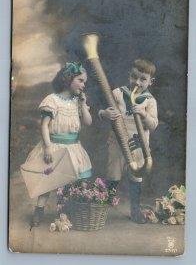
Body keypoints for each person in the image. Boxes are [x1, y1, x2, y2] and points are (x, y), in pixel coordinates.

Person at [25, 62, 92, 227]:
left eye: (85, 82)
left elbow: (88, 122)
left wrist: (83, 104)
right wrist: (47, 146)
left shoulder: (78, 102)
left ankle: (65, 212)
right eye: (81, 80)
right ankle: (38, 211)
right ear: (68, 79)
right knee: (47, 180)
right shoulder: (52, 100)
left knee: (71, 183)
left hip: (73, 147)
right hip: (54, 145)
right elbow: (44, 126)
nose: (83, 85)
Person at [98, 59, 158, 223]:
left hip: (138, 146)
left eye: (143, 79)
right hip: (118, 143)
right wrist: (105, 114)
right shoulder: (118, 93)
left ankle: (135, 211)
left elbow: (153, 125)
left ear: (151, 82)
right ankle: (103, 208)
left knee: (136, 178)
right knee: (113, 174)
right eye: (134, 77)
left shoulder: (150, 101)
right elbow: (102, 111)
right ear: (129, 76)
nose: (137, 82)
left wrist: (144, 115)